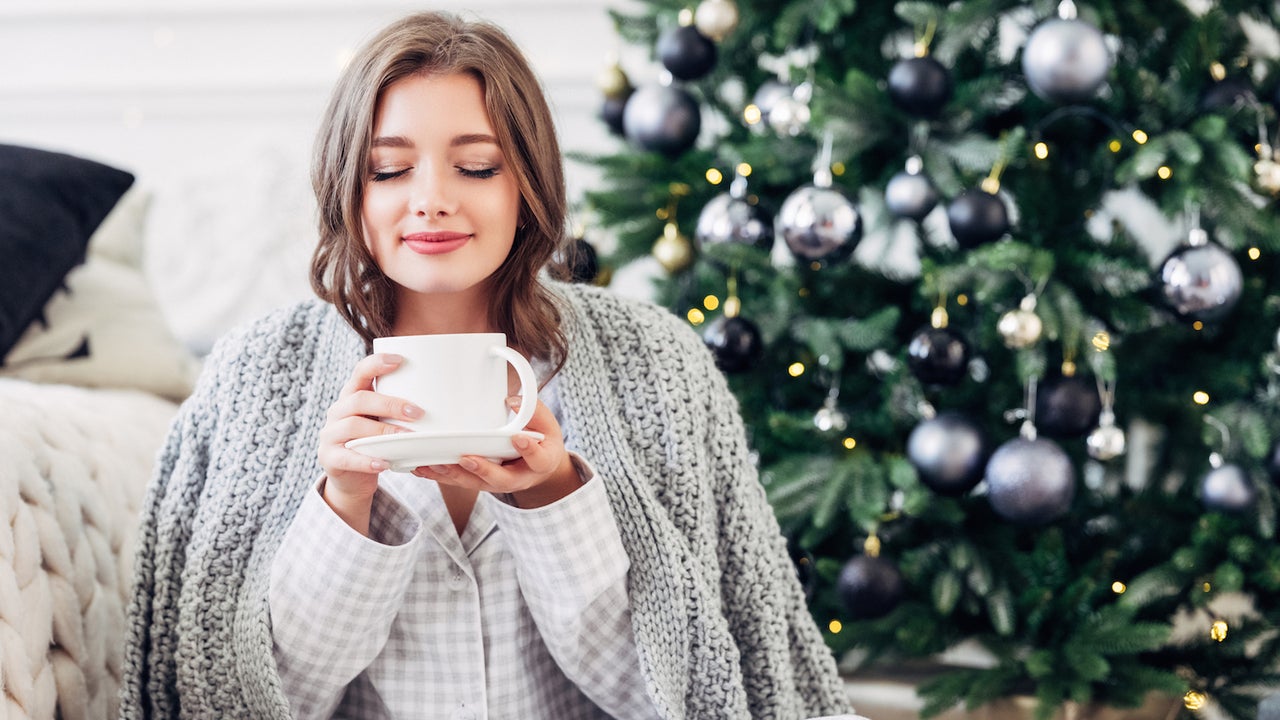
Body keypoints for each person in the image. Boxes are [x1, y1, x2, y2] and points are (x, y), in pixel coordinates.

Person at [121, 10, 856, 720]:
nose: (432, 201)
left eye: (475, 166)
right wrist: (346, 502)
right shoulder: (258, 376)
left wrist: (553, 496)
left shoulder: (653, 363)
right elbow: (257, 700)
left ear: (526, 186)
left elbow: (682, 694)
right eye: (388, 170)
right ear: (348, 188)